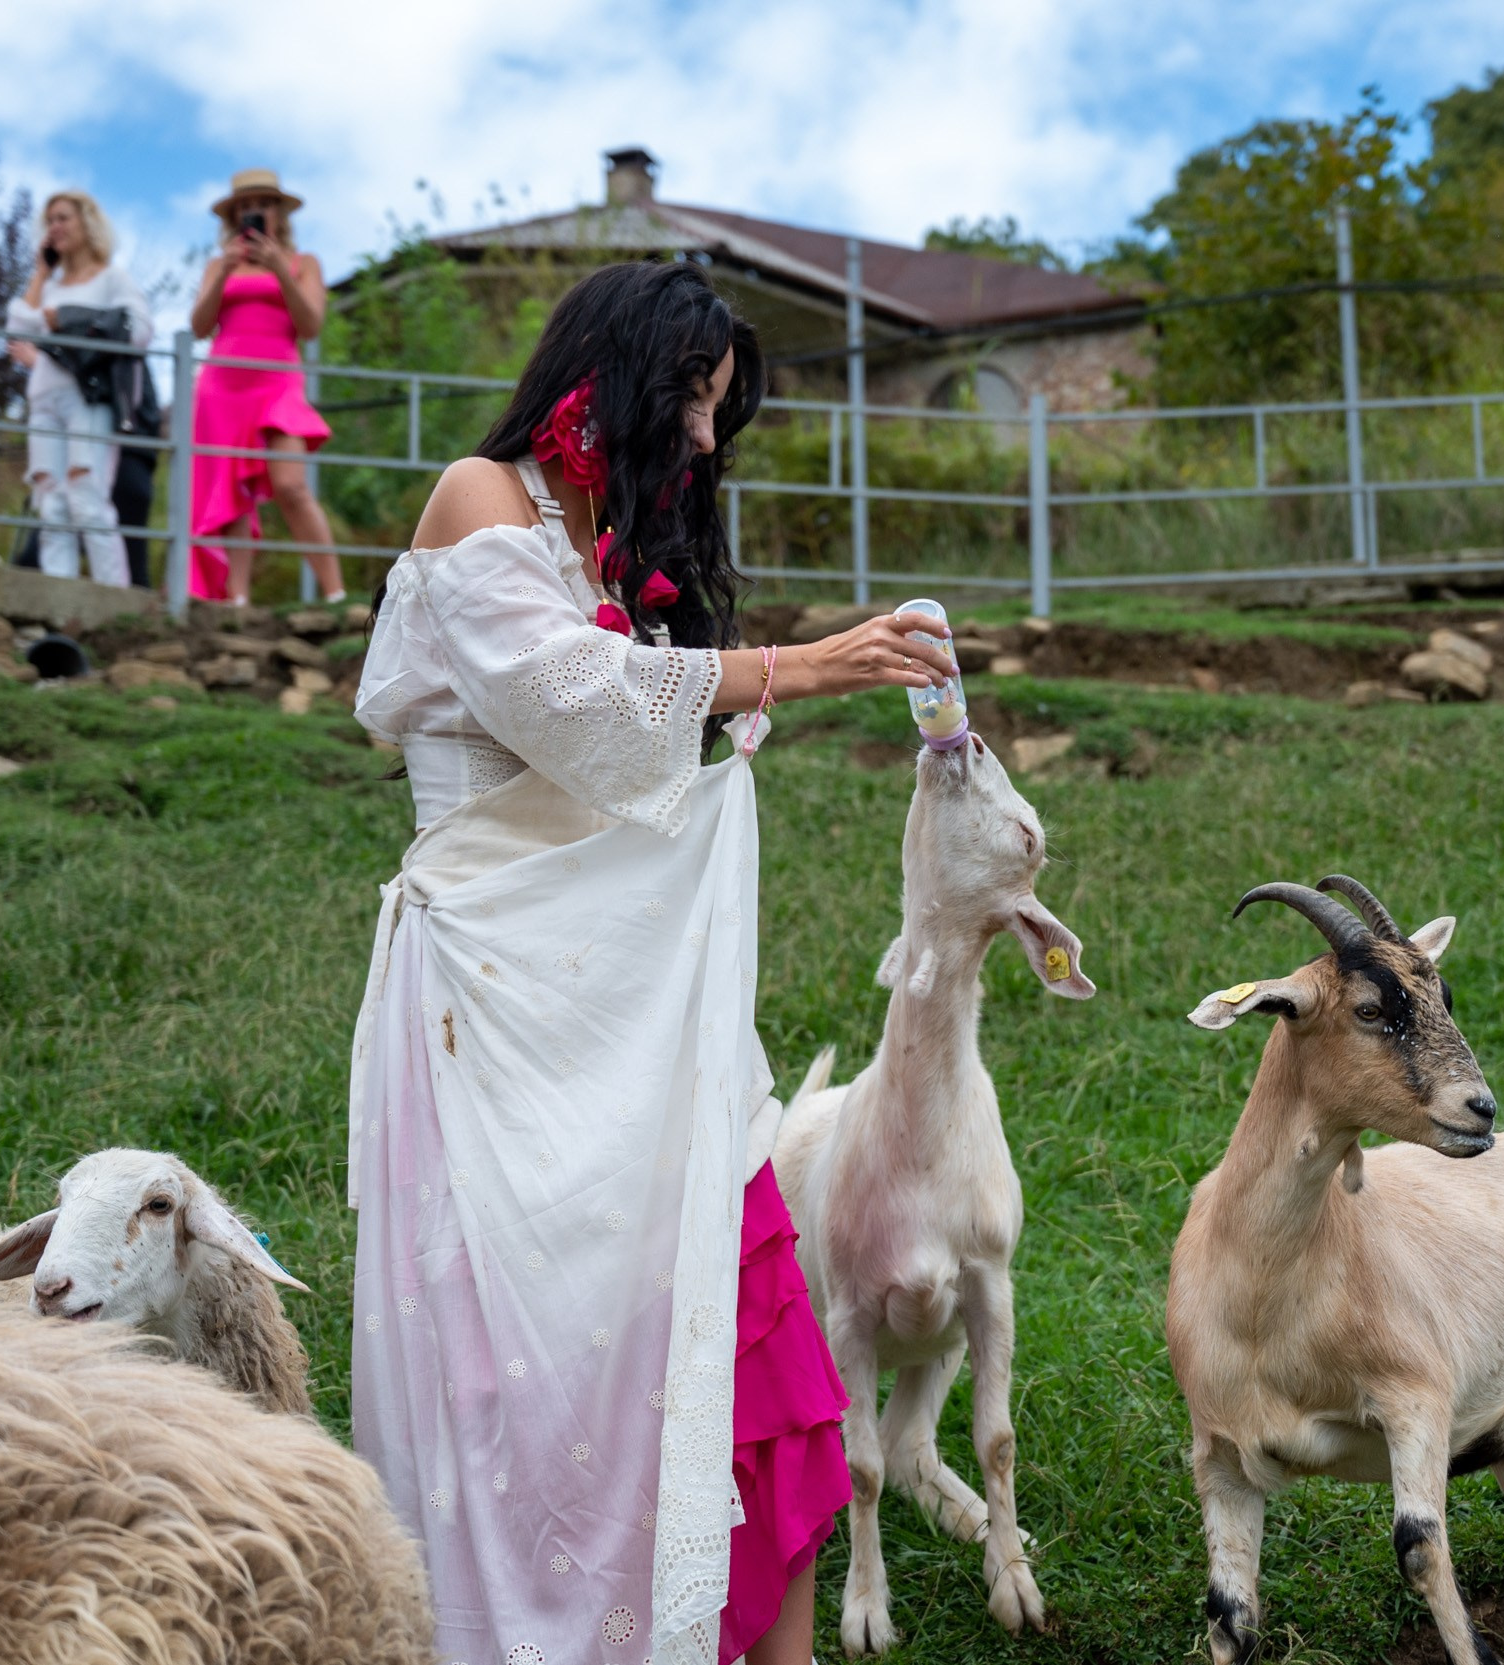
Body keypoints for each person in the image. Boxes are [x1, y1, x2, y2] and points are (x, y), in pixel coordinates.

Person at [350, 261, 955, 1665]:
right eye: (690, 399)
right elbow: (569, 697)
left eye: (715, 413)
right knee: (532, 1362)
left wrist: (732, 688)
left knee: (744, 1312)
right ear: (610, 370)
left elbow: (649, 735)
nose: (698, 439)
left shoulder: (614, 538)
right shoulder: (478, 501)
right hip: (496, 1013)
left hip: (634, 1011)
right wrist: (786, 669)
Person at [186, 167, 342, 604]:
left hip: (278, 384)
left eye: (264, 205)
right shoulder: (219, 264)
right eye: (245, 208)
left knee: (290, 485)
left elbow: (310, 325)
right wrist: (223, 274)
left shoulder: (304, 263)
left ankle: (336, 593)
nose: (254, 213)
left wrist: (279, 270)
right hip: (221, 389)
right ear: (234, 217)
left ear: (278, 212)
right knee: (228, 493)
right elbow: (199, 326)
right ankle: (236, 599)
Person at [5, 190, 150, 585]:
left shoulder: (112, 278)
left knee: (86, 498)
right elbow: (17, 331)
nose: (55, 227)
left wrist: (69, 321)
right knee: (51, 504)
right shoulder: (50, 287)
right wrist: (40, 273)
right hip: (44, 399)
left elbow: (138, 331)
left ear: (87, 224)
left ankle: (113, 601)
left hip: (89, 397)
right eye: (50, 220)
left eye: (64, 218)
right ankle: (58, 601)